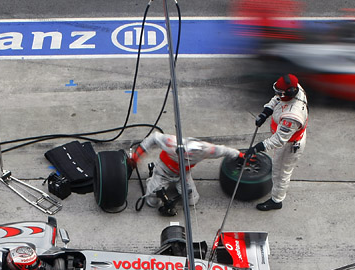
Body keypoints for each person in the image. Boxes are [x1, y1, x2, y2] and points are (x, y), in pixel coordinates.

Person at [129, 132, 242, 209]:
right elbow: (154, 137)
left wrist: (240, 155)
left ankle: (176, 184)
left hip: (182, 175)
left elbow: (223, 150)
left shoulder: (204, 150)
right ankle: (152, 177)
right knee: (152, 202)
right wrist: (136, 155)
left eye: (189, 157)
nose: (186, 158)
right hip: (163, 171)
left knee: (192, 201)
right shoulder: (171, 143)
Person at [247, 74, 308, 211]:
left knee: (281, 172)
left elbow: (279, 140)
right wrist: (266, 112)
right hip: (287, 138)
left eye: (280, 92)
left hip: (290, 144)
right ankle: (277, 193)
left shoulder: (293, 115)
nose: (277, 94)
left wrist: (257, 148)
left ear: (290, 93)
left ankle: (277, 200)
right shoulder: (294, 87)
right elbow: (278, 98)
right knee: (278, 168)